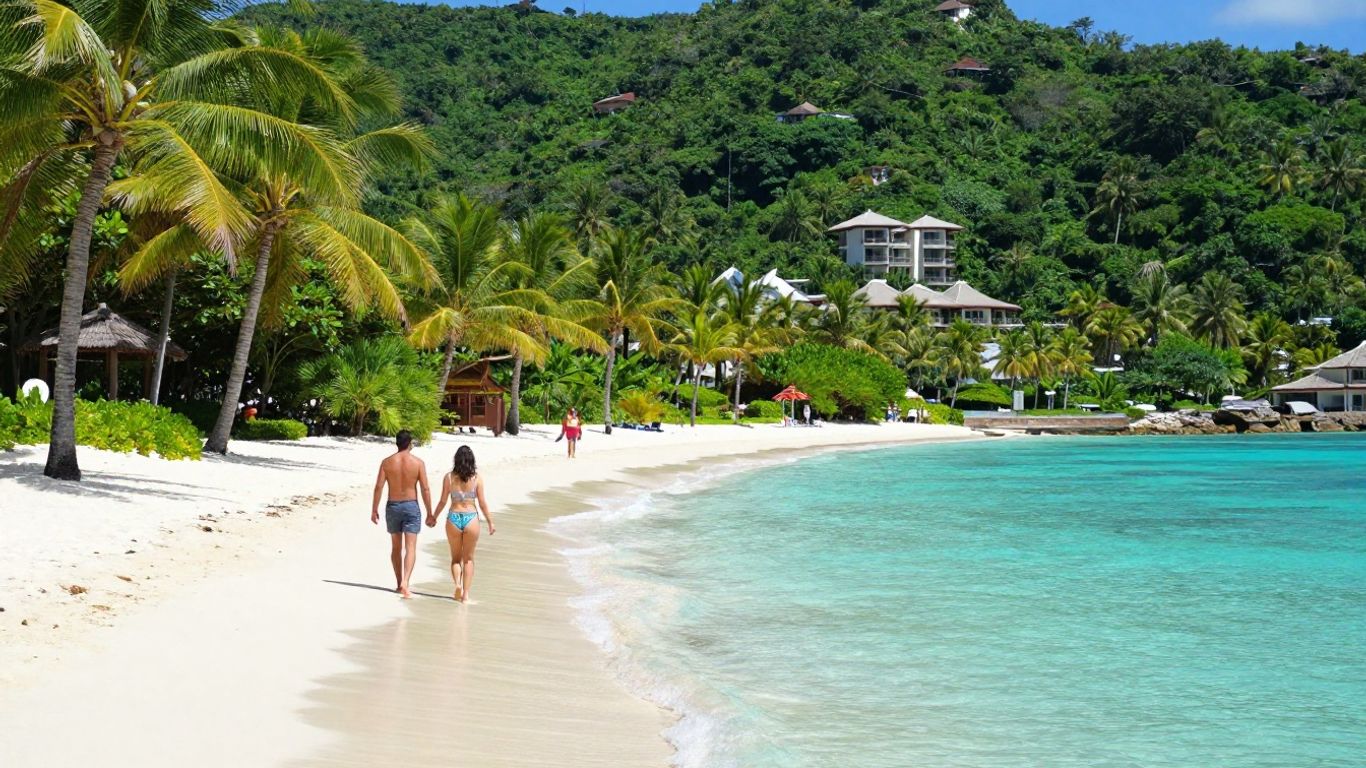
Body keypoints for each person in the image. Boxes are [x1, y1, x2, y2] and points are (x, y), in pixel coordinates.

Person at [429, 445, 496, 603]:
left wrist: (434, 517)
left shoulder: (449, 477)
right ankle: (465, 594)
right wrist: (490, 522)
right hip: (471, 517)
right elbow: (482, 503)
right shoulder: (477, 478)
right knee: (469, 559)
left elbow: (443, 501)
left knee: (455, 559)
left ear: (456, 460)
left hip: (453, 517)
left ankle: (457, 584)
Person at [371, 430, 431, 598]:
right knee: (410, 547)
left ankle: (399, 583)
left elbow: (379, 487)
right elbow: (425, 489)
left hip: (393, 506)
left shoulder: (387, 462)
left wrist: (374, 509)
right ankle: (406, 581)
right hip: (411, 506)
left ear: (397, 443)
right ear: (410, 443)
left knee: (396, 547)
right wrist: (430, 512)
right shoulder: (418, 463)